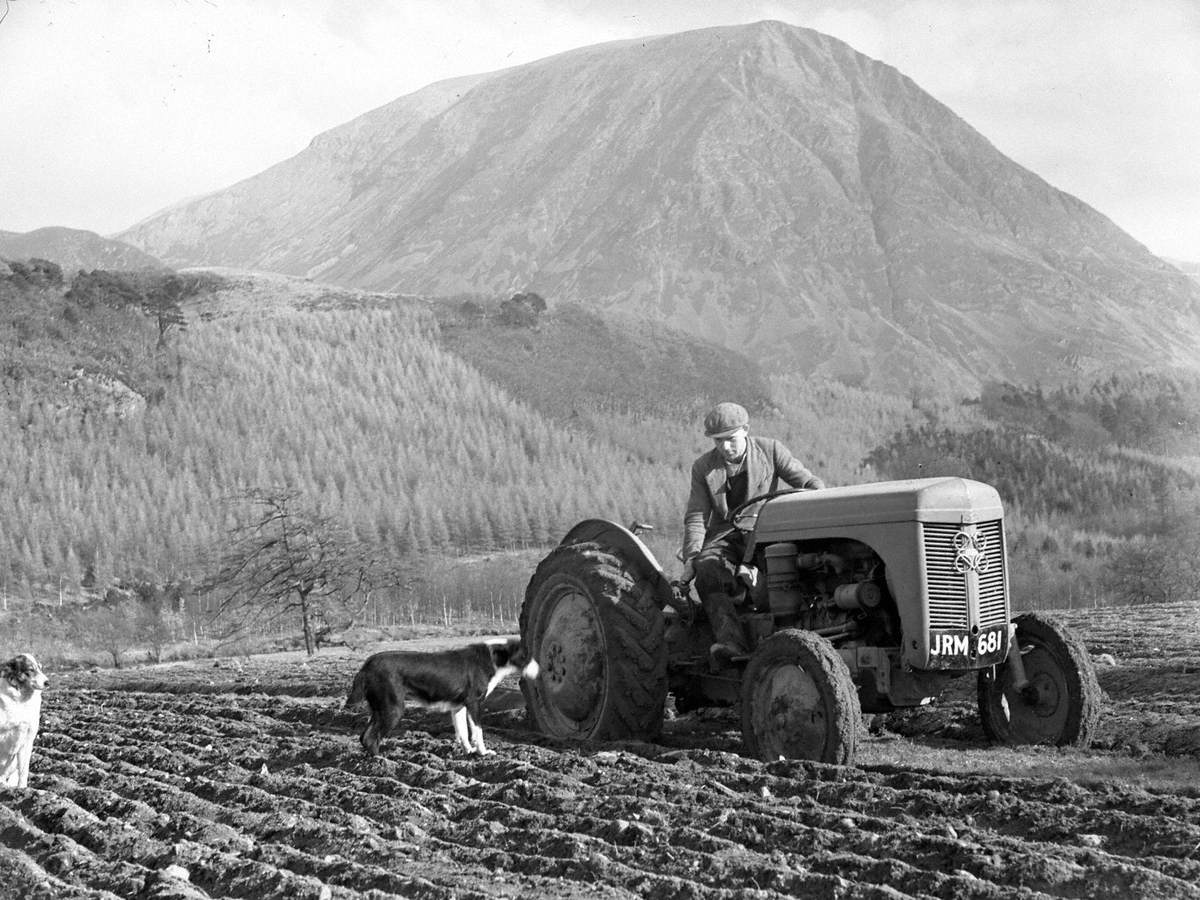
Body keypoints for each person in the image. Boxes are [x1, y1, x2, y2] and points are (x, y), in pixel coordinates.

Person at [679, 402, 825, 663]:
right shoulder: (703, 467)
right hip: (726, 535)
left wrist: (825, 503)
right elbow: (696, 516)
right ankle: (730, 642)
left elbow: (807, 483)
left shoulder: (771, 451)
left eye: (731, 439)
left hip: (764, 530)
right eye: (718, 441)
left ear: (745, 430)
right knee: (707, 570)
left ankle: (795, 637)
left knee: (788, 568)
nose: (725, 447)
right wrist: (692, 556)